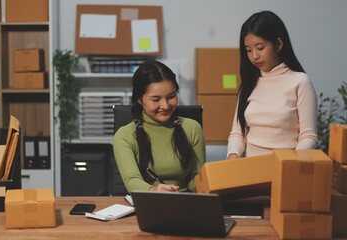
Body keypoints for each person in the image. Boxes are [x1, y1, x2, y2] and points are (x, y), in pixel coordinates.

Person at [227, 11, 318, 159]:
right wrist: (233, 155)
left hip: (286, 169)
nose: (254, 56)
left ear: (279, 44)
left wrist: (291, 163)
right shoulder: (249, 85)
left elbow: (309, 137)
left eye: (260, 47)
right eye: (248, 50)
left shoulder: (300, 82)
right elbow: (238, 133)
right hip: (251, 170)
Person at [113, 61, 206, 192]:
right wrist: (155, 190)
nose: (166, 106)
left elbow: (198, 176)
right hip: (147, 201)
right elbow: (132, 180)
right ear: (139, 99)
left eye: (171, 96)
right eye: (156, 99)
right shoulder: (125, 135)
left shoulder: (192, 128)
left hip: (187, 201)